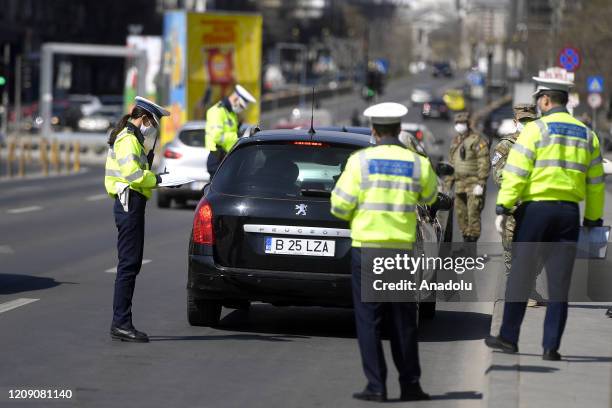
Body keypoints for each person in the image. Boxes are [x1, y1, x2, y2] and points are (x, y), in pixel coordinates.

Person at [485, 77, 605, 360]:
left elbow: (516, 171)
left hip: (536, 211)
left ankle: (509, 338)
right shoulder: (587, 134)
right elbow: (596, 183)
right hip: (568, 214)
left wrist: (503, 206)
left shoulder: (535, 130)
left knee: (520, 275)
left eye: (540, 99)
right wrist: (592, 218)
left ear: (547, 101)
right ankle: (551, 347)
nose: (538, 103)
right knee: (559, 284)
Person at [331, 102, 436, 402]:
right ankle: (411, 385)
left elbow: (339, 206)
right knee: (403, 321)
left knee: (369, 321)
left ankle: (376, 386)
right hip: (401, 251)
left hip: (367, 252)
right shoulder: (416, 162)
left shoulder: (359, 162)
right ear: (399, 130)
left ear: (374, 130)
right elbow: (429, 195)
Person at [104, 96, 171, 342]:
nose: (152, 127)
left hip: (131, 203)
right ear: (143, 118)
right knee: (128, 265)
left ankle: (121, 322)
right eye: (152, 122)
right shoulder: (128, 140)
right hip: (128, 203)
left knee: (131, 263)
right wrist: (159, 180)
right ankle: (121, 323)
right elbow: (133, 175)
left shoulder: (131, 138)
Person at [492, 104, 543, 307]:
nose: (527, 124)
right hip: (514, 208)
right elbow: (498, 175)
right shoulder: (506, 145)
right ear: (516, 122)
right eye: (523, 121)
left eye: (530, 121)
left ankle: (529, 288)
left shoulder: (542, 144)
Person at [446, 111, 490, 242]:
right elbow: (451, 164)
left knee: (473, 215)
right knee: (461, 216)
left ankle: (471, 252)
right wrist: (447, 185)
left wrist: (481, 183)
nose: (460, 125)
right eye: (457, 123)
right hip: (459, 184)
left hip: (473, 183)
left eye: (462, 123)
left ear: (467, 124)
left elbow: (484, 161)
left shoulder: (476, 140)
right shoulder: (455, 142)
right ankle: (466, 246)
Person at [205, 84, 256, 177]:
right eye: (241, 106)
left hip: (226, 158)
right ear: (235, 99)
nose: (241, 109)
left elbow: (231, 133)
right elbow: (217, 137)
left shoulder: (231, 114)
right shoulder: (217, 111)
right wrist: (238, 137)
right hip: (217, 159)